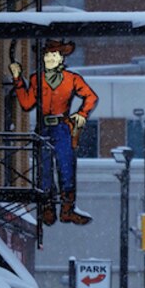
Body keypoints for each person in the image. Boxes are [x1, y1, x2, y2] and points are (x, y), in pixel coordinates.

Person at [9, 39, 98, 225]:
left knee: (66, 165)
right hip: (43, 128)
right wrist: (18, 79)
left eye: (54, 55)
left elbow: (91, 97)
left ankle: (67, 209)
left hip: (62, 126)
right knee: (44, 167)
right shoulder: (36, 79)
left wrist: (81, 114)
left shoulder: (72, 79)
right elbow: (26, 102)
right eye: (47, 55)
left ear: (61, 58)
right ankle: (47, 207)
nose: (50, 58)